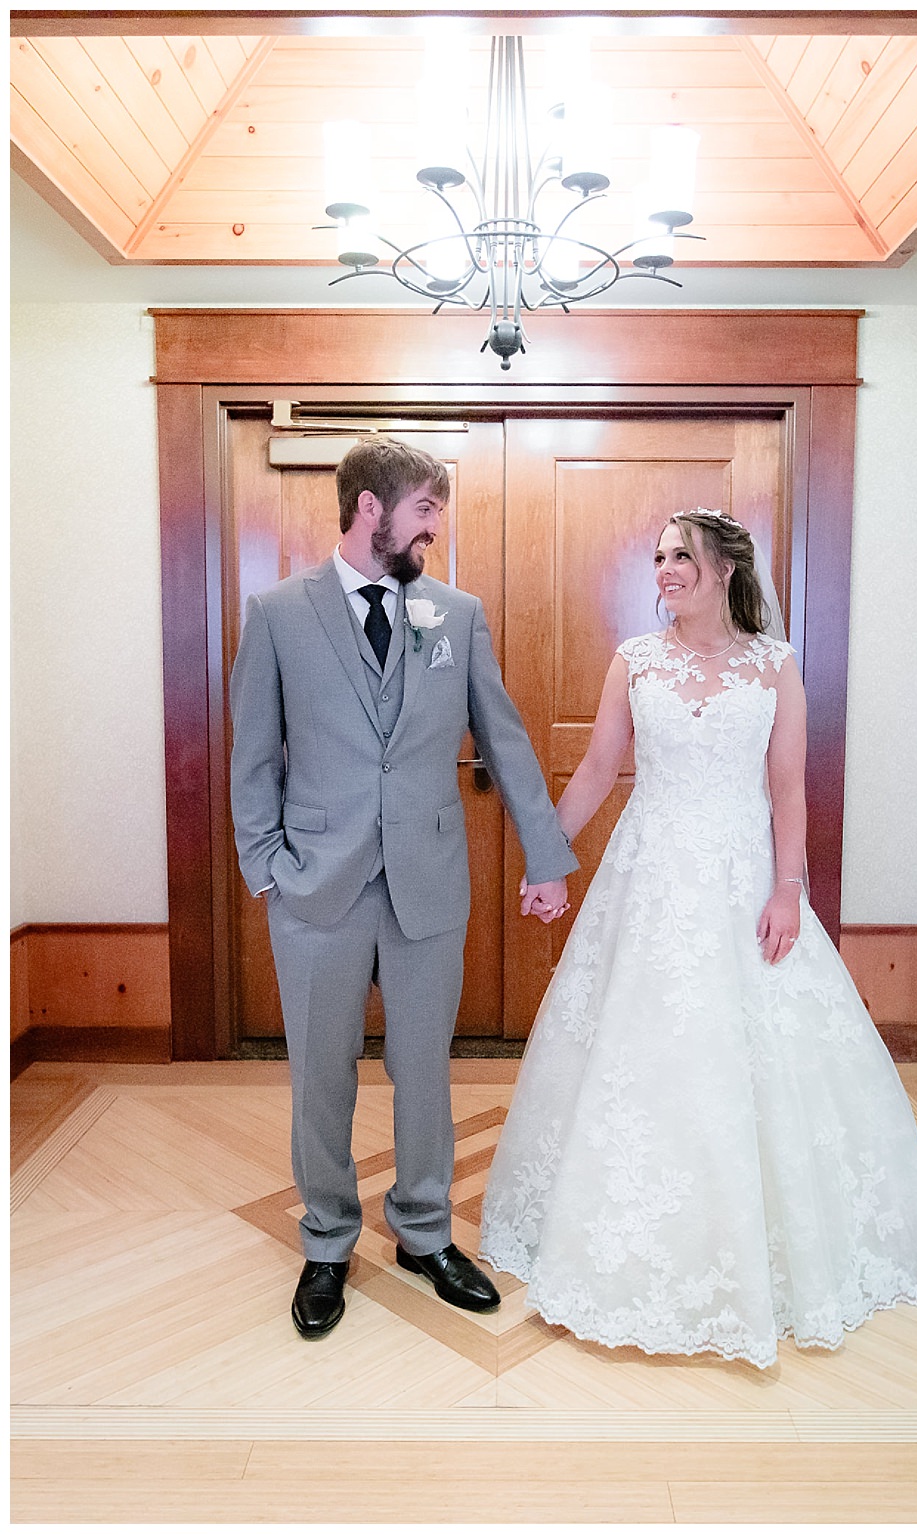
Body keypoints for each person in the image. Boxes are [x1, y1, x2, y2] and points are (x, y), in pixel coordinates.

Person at [478, 508, 917, 1367]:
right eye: (659, 557)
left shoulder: (774, 666)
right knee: (636, 1045)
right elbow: (602, 766)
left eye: (683, 556)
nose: (667, 569)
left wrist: (787, 891)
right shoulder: (634, 661)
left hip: (745, 875)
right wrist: (546, 859)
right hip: (649, 873)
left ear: (724, 571)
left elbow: (788, 790)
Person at [229, 436, 577, 1340]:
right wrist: (264, 864)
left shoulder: (455, 615)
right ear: (372, 509)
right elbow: (253, 757)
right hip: (315, 887)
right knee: (319, 1075)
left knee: (424, 1069)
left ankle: (424, 1233)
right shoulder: (275, 613)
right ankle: (327, 1242)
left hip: (427, 883)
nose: (435, 529)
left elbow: (503, 739)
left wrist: (546, 856)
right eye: (426, 510)